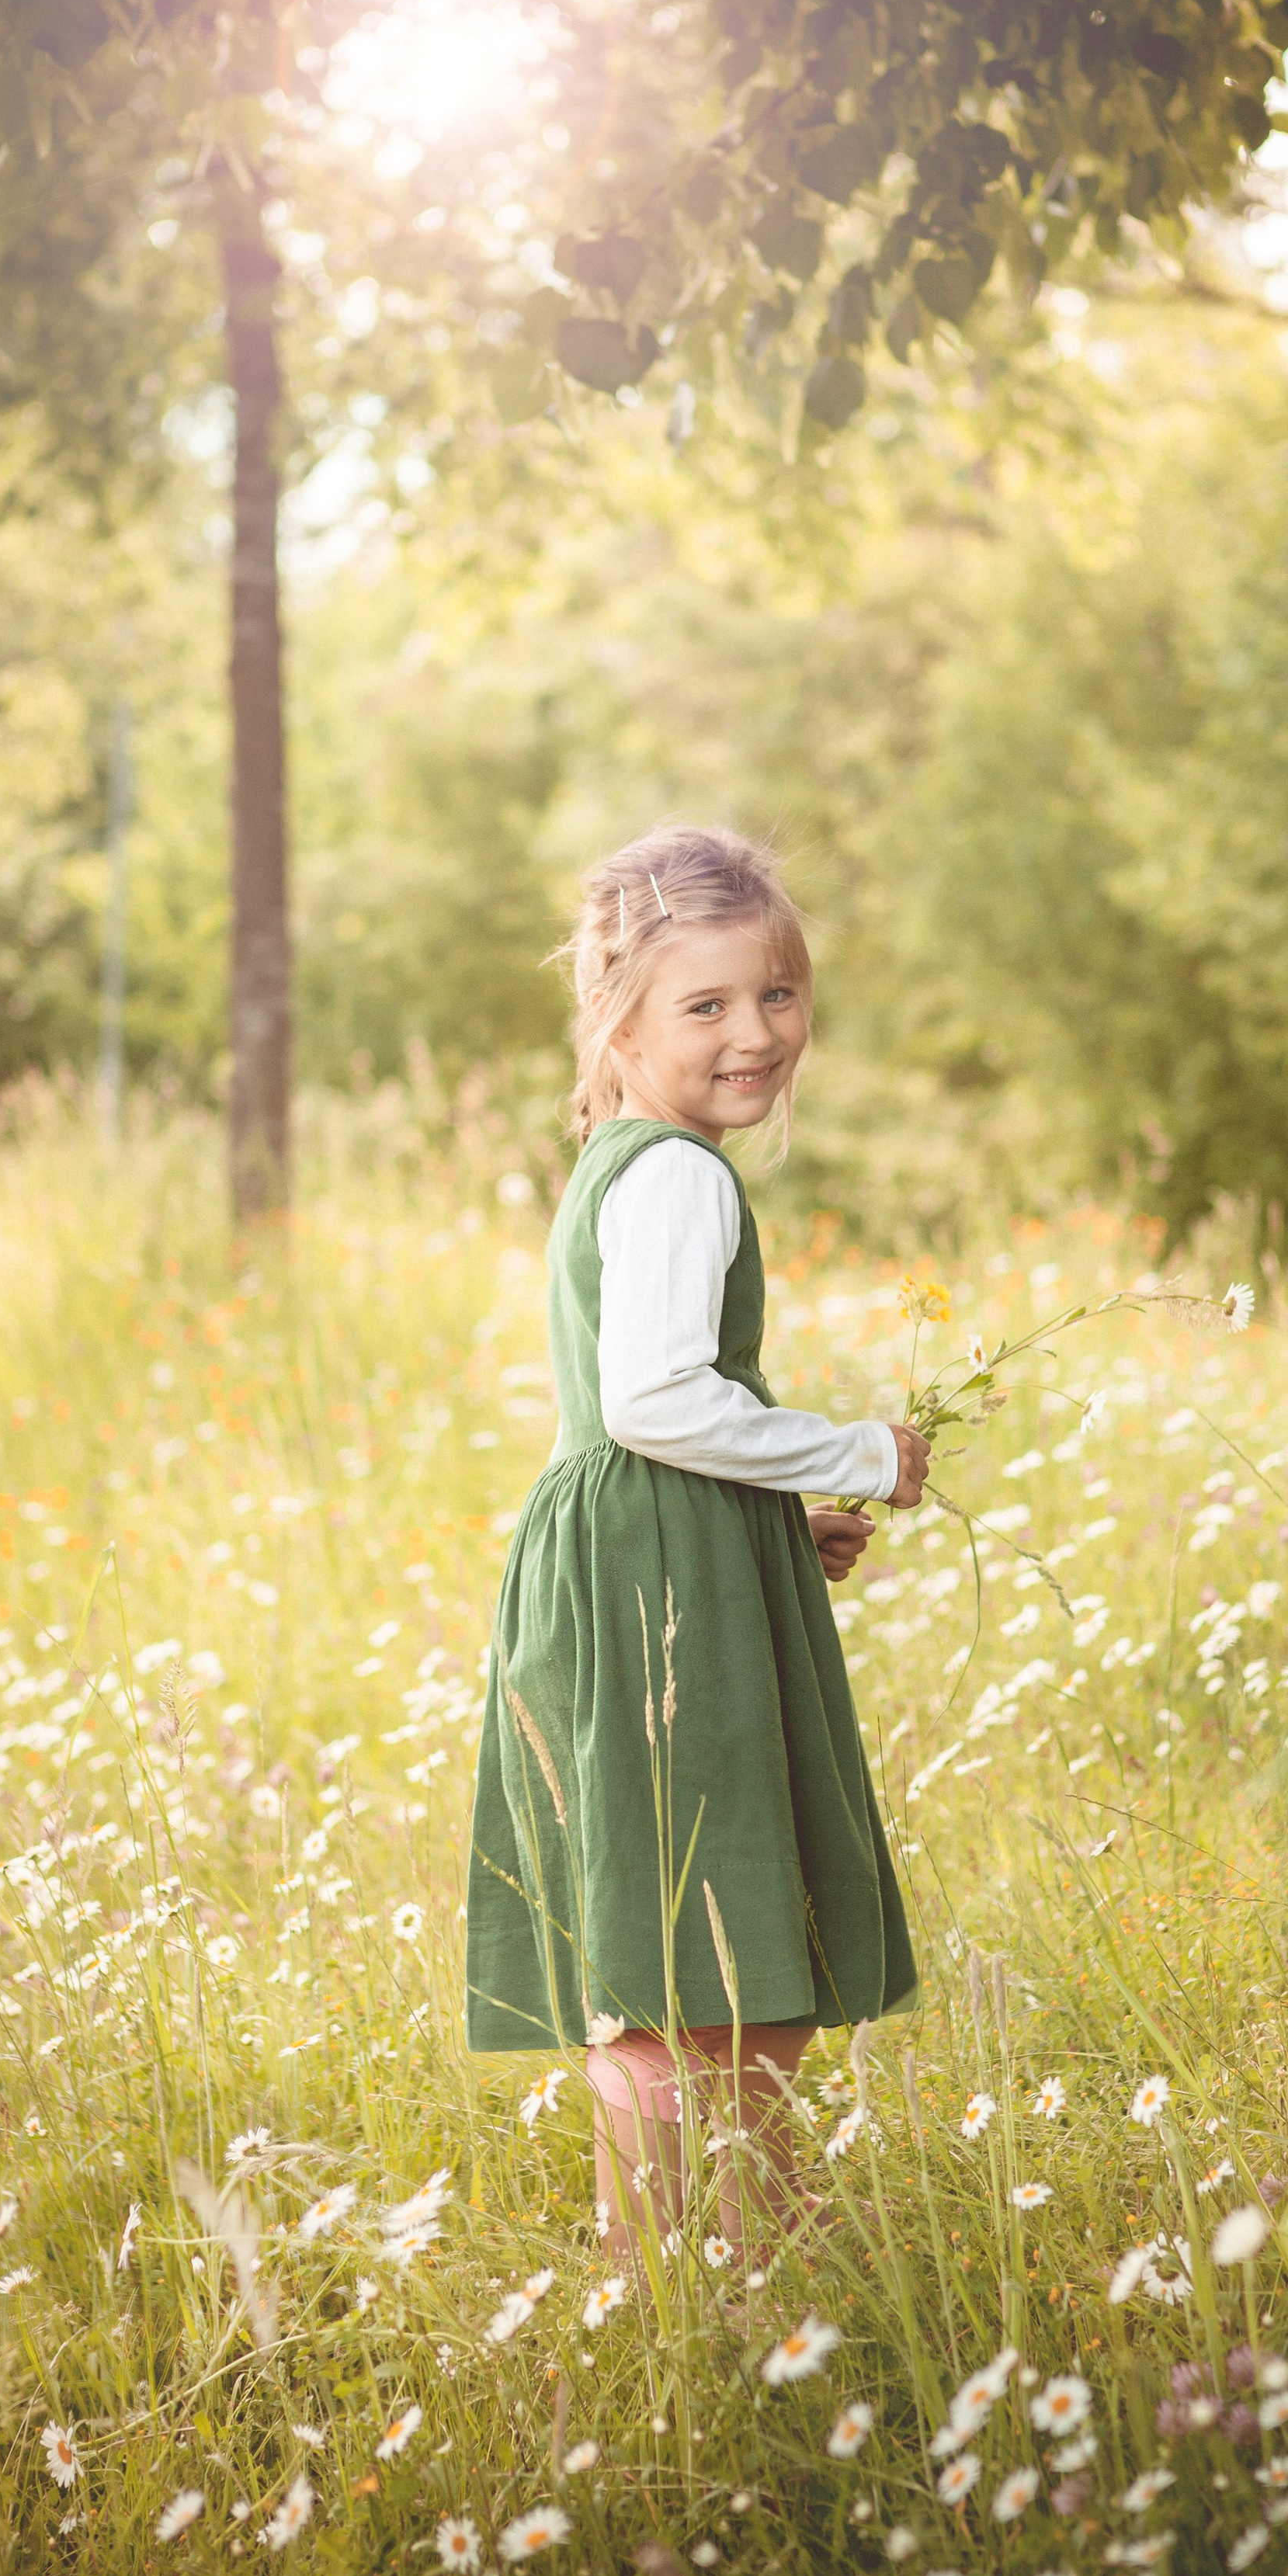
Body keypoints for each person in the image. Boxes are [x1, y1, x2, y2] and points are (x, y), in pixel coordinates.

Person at [464, 823, 925, 2260]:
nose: (754, 1035)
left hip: (649, 1564)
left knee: (680, 1958)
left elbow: (657, 1419)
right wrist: (860, 1453)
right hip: (657, 1594)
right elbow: (658, 1398)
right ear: (622, 1015)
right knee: (718, 1967)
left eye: (776, 997)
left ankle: (705, 2277)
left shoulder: (627, 1157)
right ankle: (700, 2283)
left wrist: (773, 1522)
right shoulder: (679, 1174)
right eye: (706, 1006)